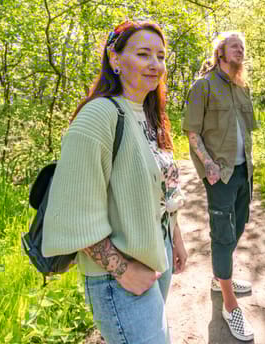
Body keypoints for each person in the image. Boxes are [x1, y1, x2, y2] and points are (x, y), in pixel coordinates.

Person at [42, 20, 188, 344]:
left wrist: (174, 237)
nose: (155, 64)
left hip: (155, 253)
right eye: (143, 54)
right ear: (115, 58)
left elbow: (162, 190)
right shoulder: (99, 116)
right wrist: (123, 270)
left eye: (161, 56)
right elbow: (74, 212)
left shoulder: (149, 115)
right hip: (117, 274)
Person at [183, 31, 258, 341]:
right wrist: (208, 165)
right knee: (223, 234)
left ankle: (219, 277)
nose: (240, 50)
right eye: (233, 46)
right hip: (220, 175)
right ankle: (229, 305)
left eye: (242, 45)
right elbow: (192, 132)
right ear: (220, 53)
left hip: (244, 171)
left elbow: (245, 131)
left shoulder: (242, 87)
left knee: (239, 225)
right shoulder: (203, 86)